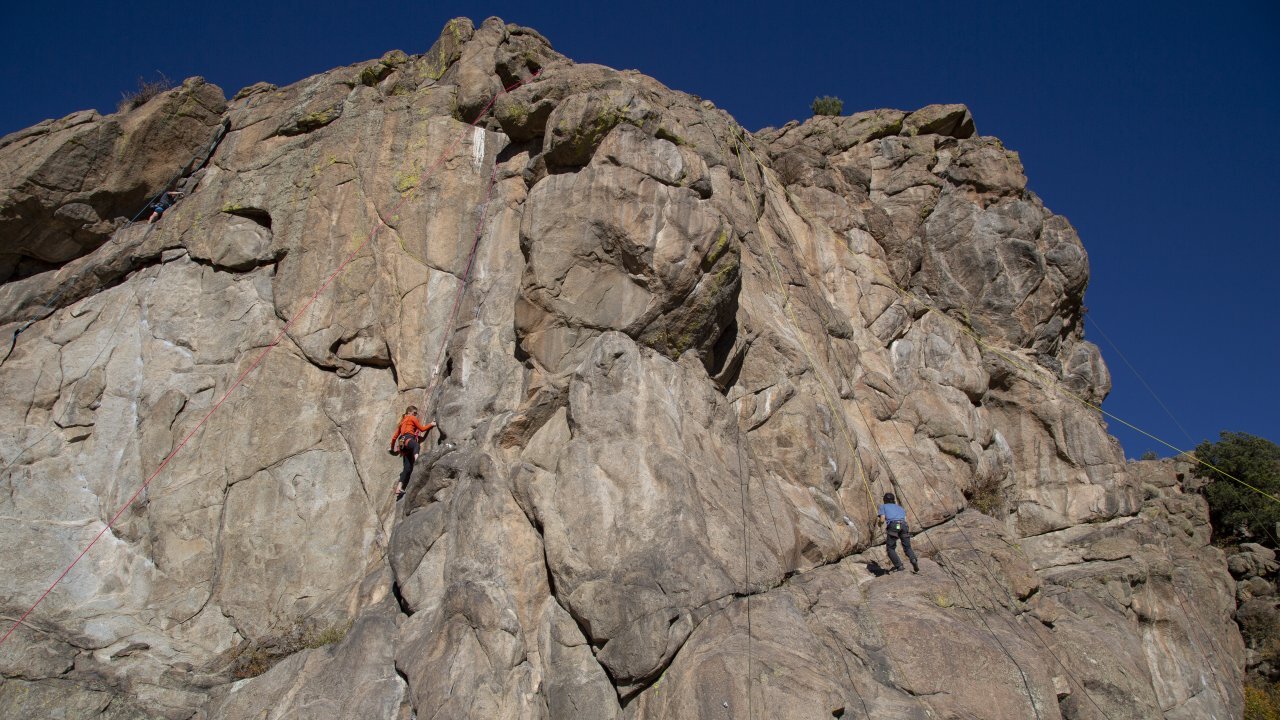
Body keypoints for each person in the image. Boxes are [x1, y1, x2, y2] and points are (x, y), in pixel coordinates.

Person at [389, 405, 435, 500]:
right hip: (408, 439)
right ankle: (418, 461)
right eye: (414, 413)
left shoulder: (402, 422)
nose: (415, 415)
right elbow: (422, 429)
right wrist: (431, 424)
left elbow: (394, 437)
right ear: (409, 412)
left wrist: (392, 449)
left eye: (416, 414)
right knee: (416, 446)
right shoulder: (411, 418)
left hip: (402, 444)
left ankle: (399, 488)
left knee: (407, 468)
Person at [878, 492, 919, 573]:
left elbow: (882, 520)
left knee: (890, 548)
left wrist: (880, 523)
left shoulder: (883, 506)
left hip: (894, 526)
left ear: (885, 500)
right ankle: (913, 559)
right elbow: (904, 518)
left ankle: (899, 566)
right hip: (904, 525)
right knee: (907, 547)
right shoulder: (900, 508)